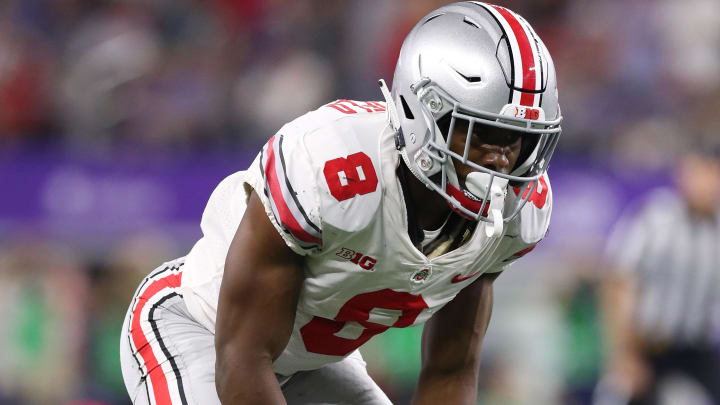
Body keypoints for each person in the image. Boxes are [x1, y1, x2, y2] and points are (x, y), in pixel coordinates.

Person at [119, 2, 562, 404]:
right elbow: (242, 357)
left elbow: (450, 369)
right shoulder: (331, 167)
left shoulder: (513, 215)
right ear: (422, 111)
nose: (501, 160)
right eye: (484, 134)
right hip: (200, 330)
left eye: (521, 142)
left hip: (313, 363)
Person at [598, 143, 720, 405]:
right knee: (616, 395)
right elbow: (618, 282)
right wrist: (624, 355)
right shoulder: (656, 219)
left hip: (696, 349)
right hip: (649, 345)